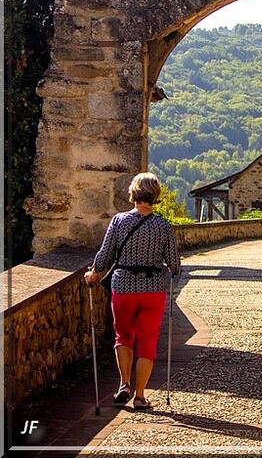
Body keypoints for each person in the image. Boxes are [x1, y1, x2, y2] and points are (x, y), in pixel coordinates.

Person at [84, 172, 181, 411]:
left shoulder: (118, 221)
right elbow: (174, 265)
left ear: (133, 194)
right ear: (155, 195)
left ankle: (124, 385)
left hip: (123, 286)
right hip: (153, 289)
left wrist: (93, 275)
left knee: (123, 336)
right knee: (147, 342)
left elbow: (105, 255)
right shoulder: (163, 225)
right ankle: (139, 396)